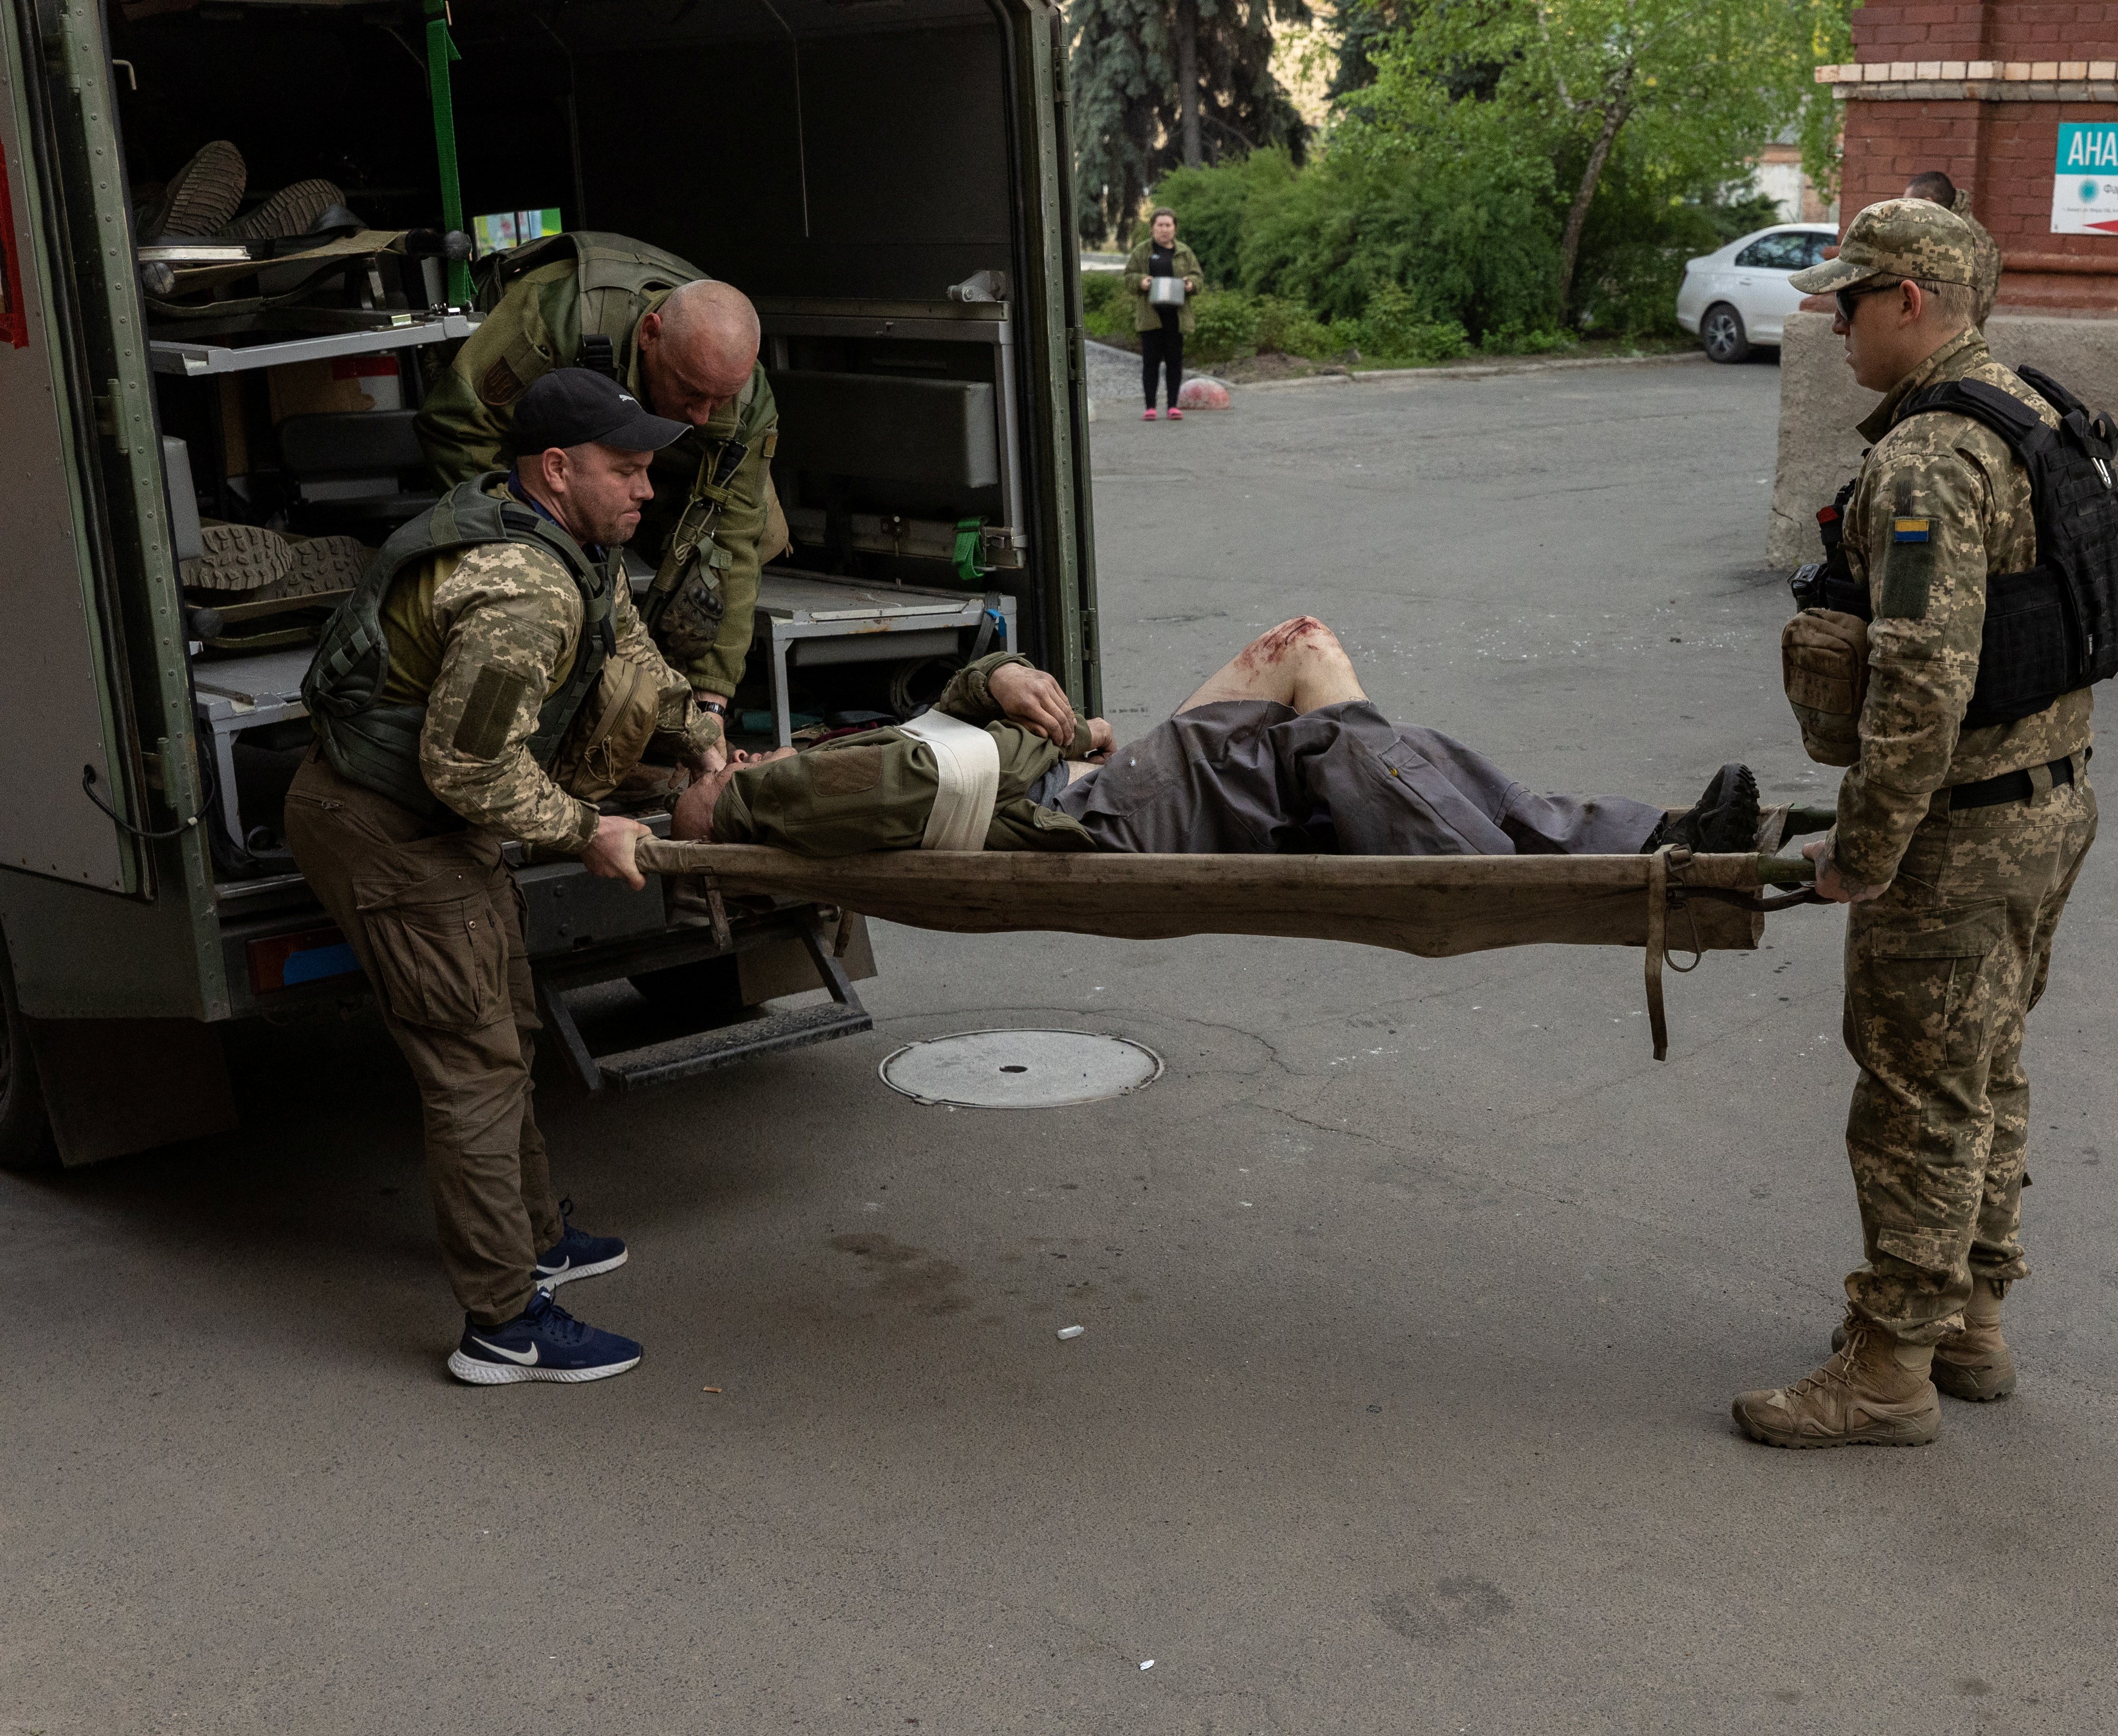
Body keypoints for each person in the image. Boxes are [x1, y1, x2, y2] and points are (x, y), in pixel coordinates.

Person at [1732, 200, 2100, 1449]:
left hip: (1958, 829)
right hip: (2050, 801)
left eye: (1851, 296)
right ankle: (1970, 1321)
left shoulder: (1930, 457)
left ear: (1910, 302)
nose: (1832, 317)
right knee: (1984, 1068)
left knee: (1914, 1093)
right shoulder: (2035, 410)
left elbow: (1920, 680)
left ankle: (1888, 1364)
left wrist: (1862, 849)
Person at [291, 369, 727, 1387]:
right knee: (473, 1066)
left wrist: (700, 736)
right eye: (626, 469)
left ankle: (536, 1235)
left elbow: (630, 649)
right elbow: (469, 765)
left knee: (508, 1025)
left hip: (437, 822)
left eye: (648, 469)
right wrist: (589, 829)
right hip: (388, 824)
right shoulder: (521, 590)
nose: (646, 490)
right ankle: (501, 1324)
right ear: (555, 468)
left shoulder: (578, 543)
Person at [671, 617, 1757, 860]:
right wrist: (722, 796)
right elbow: (927, 775)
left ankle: (1651, 829)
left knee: (1341, 711)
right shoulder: (803, 788)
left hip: (1103, 777)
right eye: (749, 751)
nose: (763, 746)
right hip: (1097, 814)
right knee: (1330, 724)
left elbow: (941, 733)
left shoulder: (852, 760)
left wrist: (994, 680)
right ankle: (1491, 868)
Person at [417, 232, 785, 715]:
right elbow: (458, 425)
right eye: (692, 391)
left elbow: (737, 541)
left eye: (720, 399)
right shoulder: (559, 316)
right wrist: (539, 550)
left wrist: (710, 703)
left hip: (640, 451)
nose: (702, 415)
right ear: (651, 334)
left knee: (761, 535)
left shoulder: (745, 395)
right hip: (530, 447)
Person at [1123, 209, 1203, 421]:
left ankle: (1172, 406)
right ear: (1152, 227)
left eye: (1168, 225)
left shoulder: (1184, 252)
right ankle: (1150, 407)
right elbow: (1128, 277)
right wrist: (1141, 281)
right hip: (1151, 316)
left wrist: (1190, 284)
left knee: (1175, 362)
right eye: (1160, 225)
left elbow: (1198, 277)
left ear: (1175, 228)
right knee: (1151, 362)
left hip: (1176, 316)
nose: (1164, 229)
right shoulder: (1142, 251)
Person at [1904, 169, 2000, 328]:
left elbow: (1975, 308)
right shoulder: (1936, 230)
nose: (1906, 213)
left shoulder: (1971, 239)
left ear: (1929, 204)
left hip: (1954, 343)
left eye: (1910, 206)